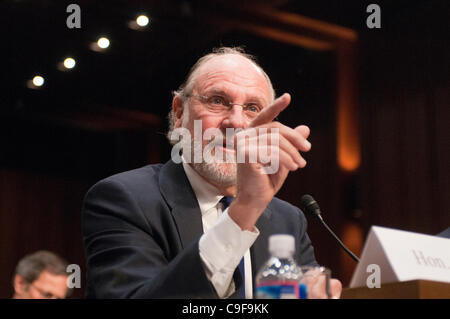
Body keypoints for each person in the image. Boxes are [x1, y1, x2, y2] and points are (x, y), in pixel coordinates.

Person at [82, 46, 342, 298]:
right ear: (180, 112)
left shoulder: (289, 220)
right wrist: (244, 211)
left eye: (252, 108)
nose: (236, 122)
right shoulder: (123, 200)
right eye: (218, 101)